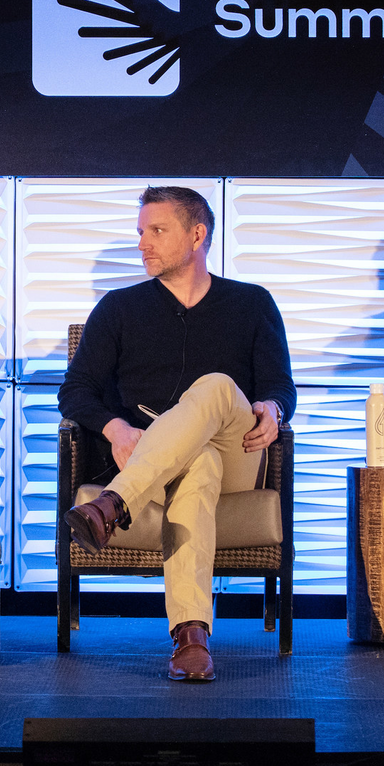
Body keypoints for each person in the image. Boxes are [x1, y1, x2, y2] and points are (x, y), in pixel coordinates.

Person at [59, 187, 296, 682]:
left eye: (157, 231)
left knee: (213, 388)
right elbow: (75, 392)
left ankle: (109, 506)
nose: (143, 243)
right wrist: (114, 426)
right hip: (144, 454)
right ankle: (191, 637)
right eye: (140, 232)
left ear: (197, 235)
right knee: (199, 462)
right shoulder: (119, 308)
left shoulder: (252, 303)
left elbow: (280, 386)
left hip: (238, 451)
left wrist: (273, 408)